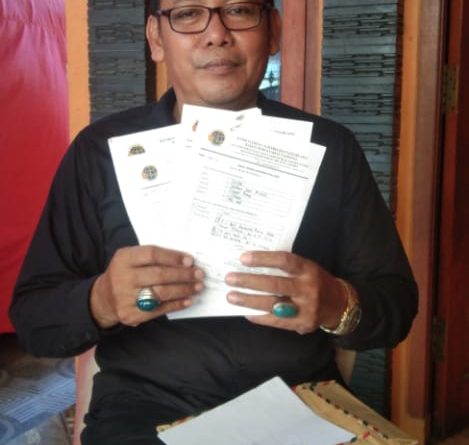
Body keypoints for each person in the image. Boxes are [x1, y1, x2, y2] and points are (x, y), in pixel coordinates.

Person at [10, 0, 418, 444]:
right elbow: (34, 320)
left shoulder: (330, 149)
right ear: (156, 39)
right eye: (188, 14)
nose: (217, 33)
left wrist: (337, 303)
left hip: (298, 407)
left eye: (239, 10)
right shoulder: (100, 152)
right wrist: (102, 300)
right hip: (143, 413)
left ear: (273, 30)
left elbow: (396, 306)